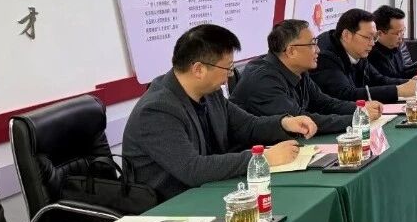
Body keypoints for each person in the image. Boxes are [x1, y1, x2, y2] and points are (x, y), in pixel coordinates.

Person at [122, 24, 315, 201]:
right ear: (199, 69)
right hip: (170, 205)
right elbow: (192, 169)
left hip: (209, 191)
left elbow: (248, 126)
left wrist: (285, 123)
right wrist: (263, 158)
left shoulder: (210, 93)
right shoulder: (157, 110)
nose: (230, 75)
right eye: (228, 68)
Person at [230, 19, 382, 134]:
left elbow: (325, 103)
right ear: (291, 51)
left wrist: (360, 109)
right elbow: (300, 121)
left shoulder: (299, 70)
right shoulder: (263, 80)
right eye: (312, 44)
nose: (318, 50)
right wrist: (357, 119)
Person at [311, 8, 417, 104]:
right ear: (346, 35)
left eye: (374, 38)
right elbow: (346, 94)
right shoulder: (325, 56)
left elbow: (378, 79)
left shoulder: (358, 51)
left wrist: (409, 83)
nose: (372, 43)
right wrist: (398, 91)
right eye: (368, 37)